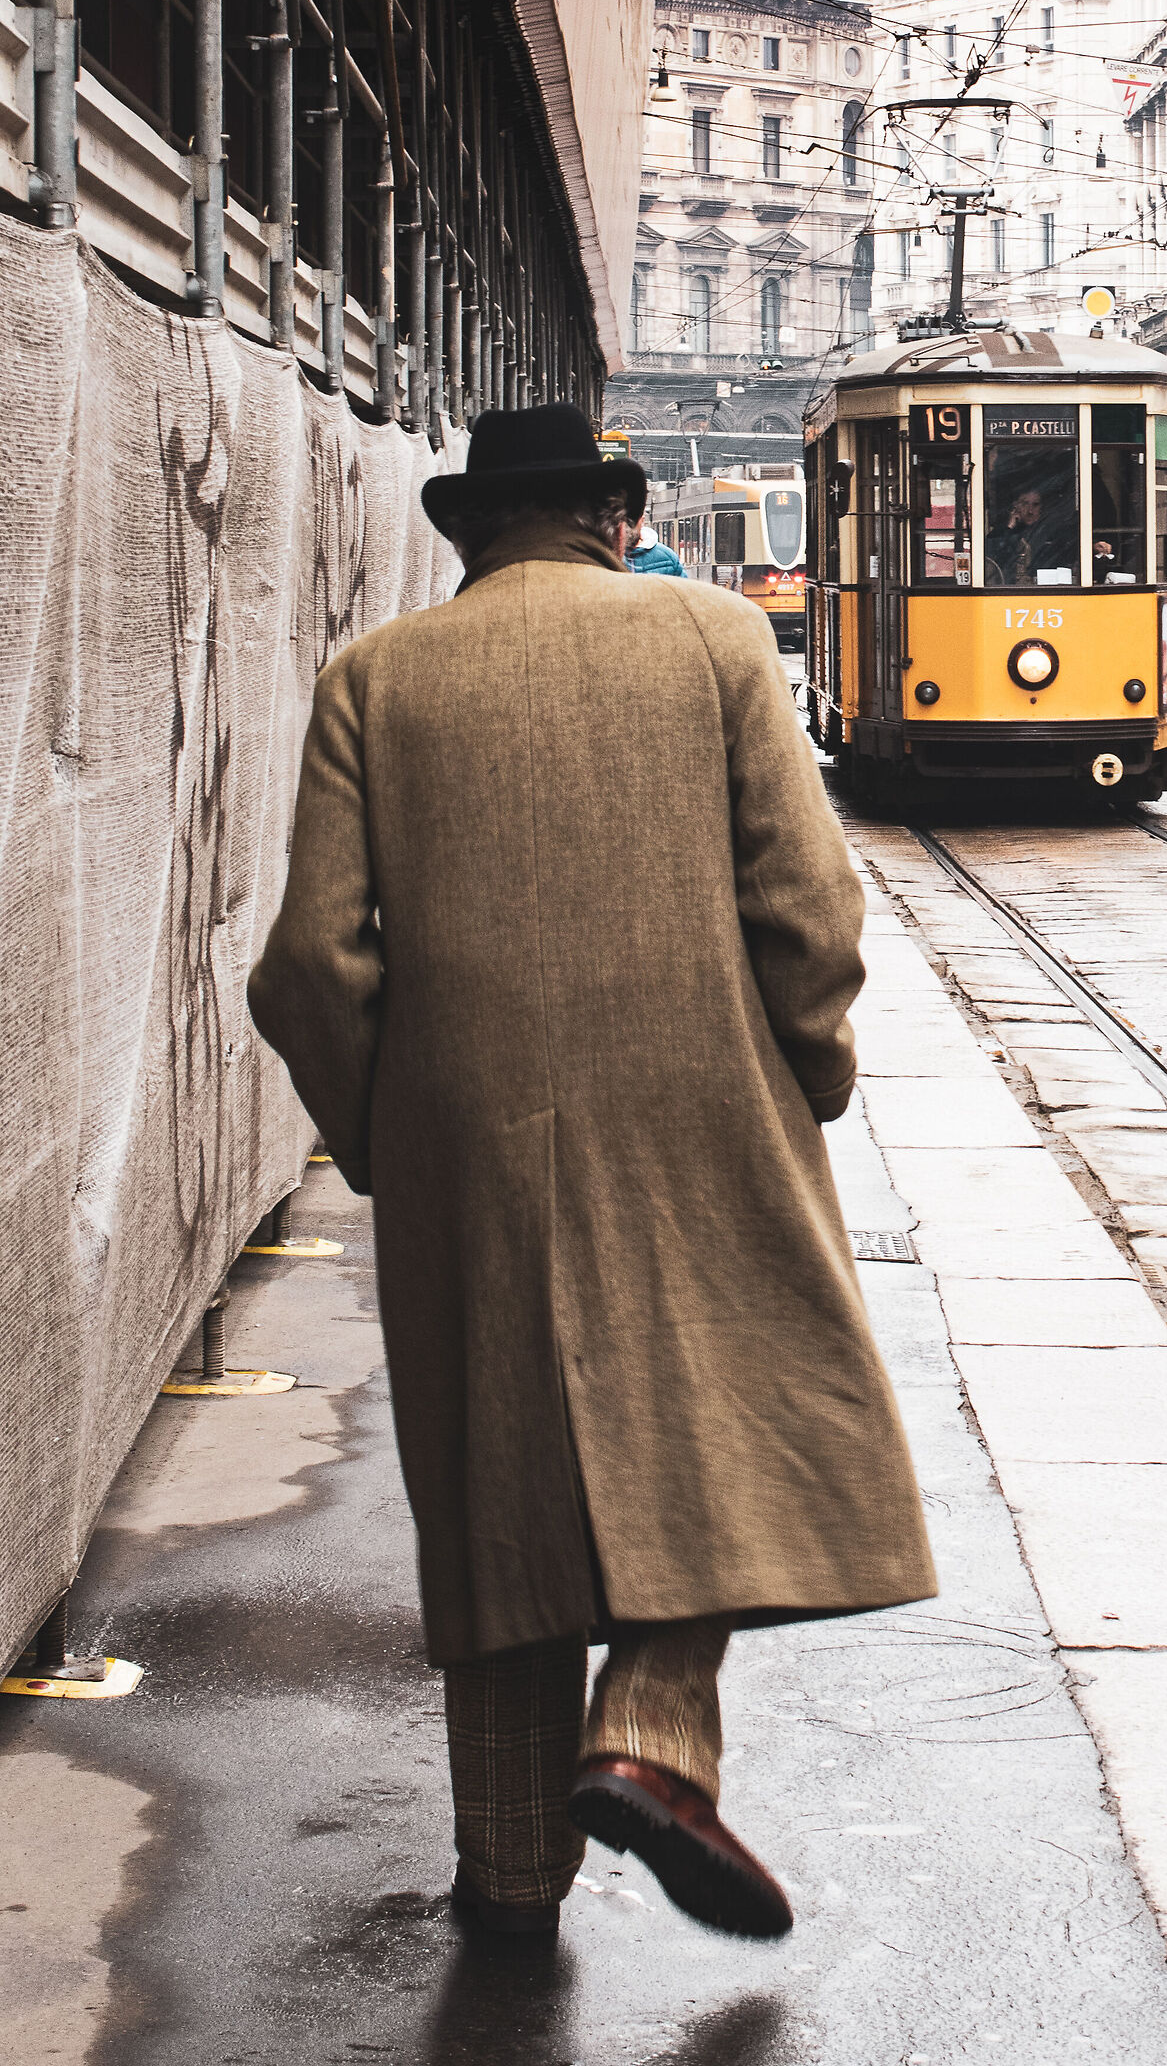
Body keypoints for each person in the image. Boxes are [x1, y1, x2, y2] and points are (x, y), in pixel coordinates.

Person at [247, 403, 934, 1945]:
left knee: (497, 1486)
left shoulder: (377, 677)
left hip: (459, 1142)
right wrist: (808, 1071)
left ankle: (506, 1874)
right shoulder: (710, 641)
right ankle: (649, 1736)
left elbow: (308, 966)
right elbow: (807, 908)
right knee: (728, 1425)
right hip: (701, 1114)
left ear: (469, 535)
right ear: (614, 519)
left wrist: (383, 1134)